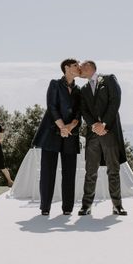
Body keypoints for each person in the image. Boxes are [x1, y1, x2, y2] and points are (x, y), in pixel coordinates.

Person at [77, 60, 127, 216]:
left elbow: (115, 102)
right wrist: (94, 126)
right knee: (90, 171)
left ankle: (117, 205)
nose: (79, 70)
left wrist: (104, 124)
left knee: (113, 170)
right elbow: (84, 110)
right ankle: (86, 206)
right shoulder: (83, 89)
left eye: (81, 68)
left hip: (110, 132)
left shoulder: (109, 79)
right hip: (93, 135)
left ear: (89, 67)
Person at [32, 58, 81, 215]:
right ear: (66, 68)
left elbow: (79, 113)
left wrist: (70, 127)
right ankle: (45, 208)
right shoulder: (54, 84)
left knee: (69, 172)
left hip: (71, 134)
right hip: (52, 132)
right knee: (47, 171)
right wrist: (62, 127)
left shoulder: (79, 90)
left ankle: (67, 208)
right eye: (75, 65)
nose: (78, 68)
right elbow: (51, 107)